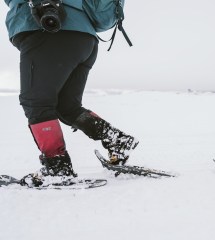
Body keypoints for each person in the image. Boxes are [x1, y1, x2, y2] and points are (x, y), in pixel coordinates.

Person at [4, 0, 138, 187]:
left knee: (37, 103)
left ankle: (58, 170)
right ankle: (117, 141)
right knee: (67, 107)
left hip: (51, 32)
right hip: (83, 39)